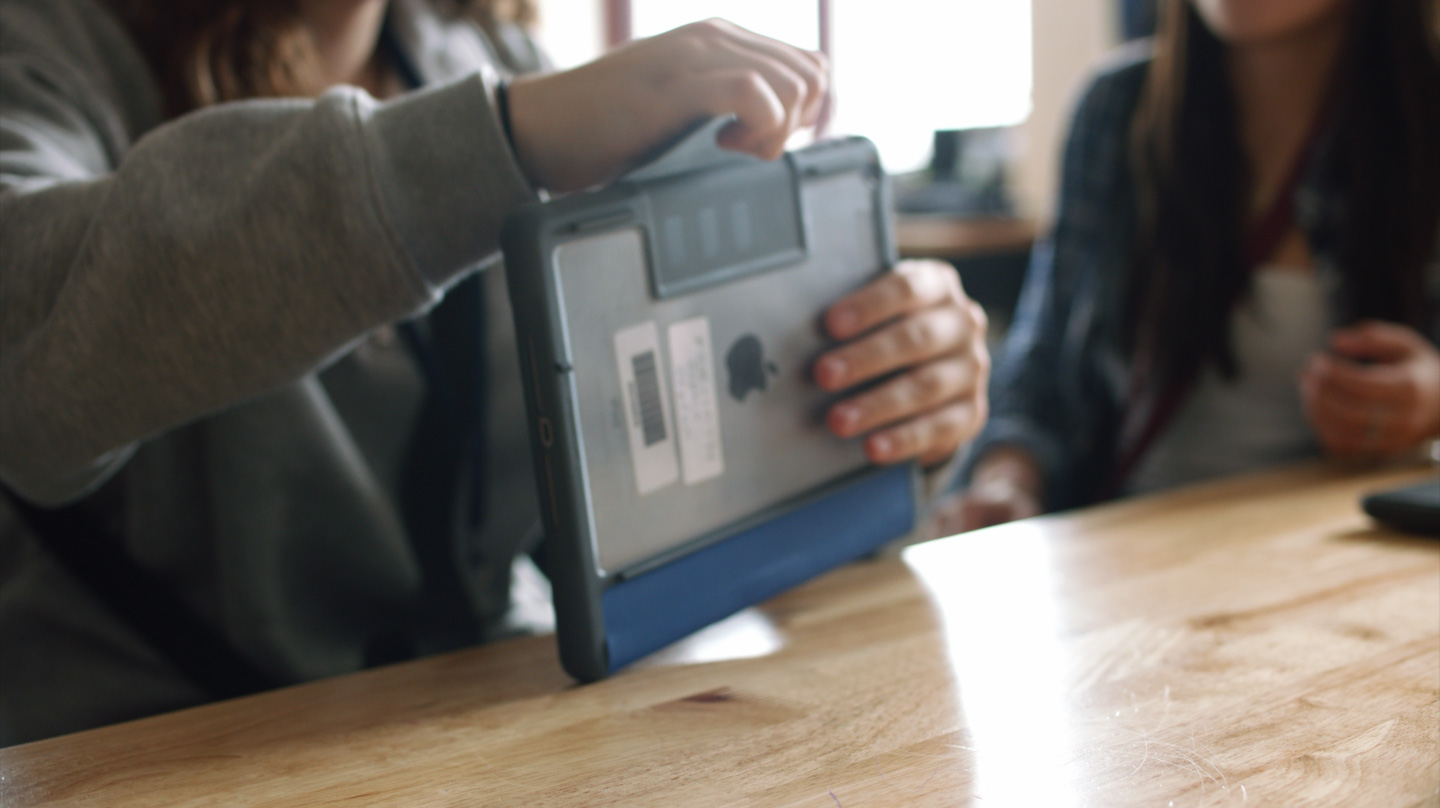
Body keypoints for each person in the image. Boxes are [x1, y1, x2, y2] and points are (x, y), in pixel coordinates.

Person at [0, 0, 989, 744]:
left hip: (491, 725)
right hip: (153, 752)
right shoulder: (47, 51)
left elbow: (658, 449)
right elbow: (23, 367)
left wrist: (879, 407)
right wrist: (497, 141)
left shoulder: (488, 62)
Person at [932, 0, 1440, 535]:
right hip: (1124, 546)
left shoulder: (1424, 123)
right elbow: (1044, 371)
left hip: (1339, 552)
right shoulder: (1119, 108)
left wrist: (1432, 401)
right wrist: (1007, 485)